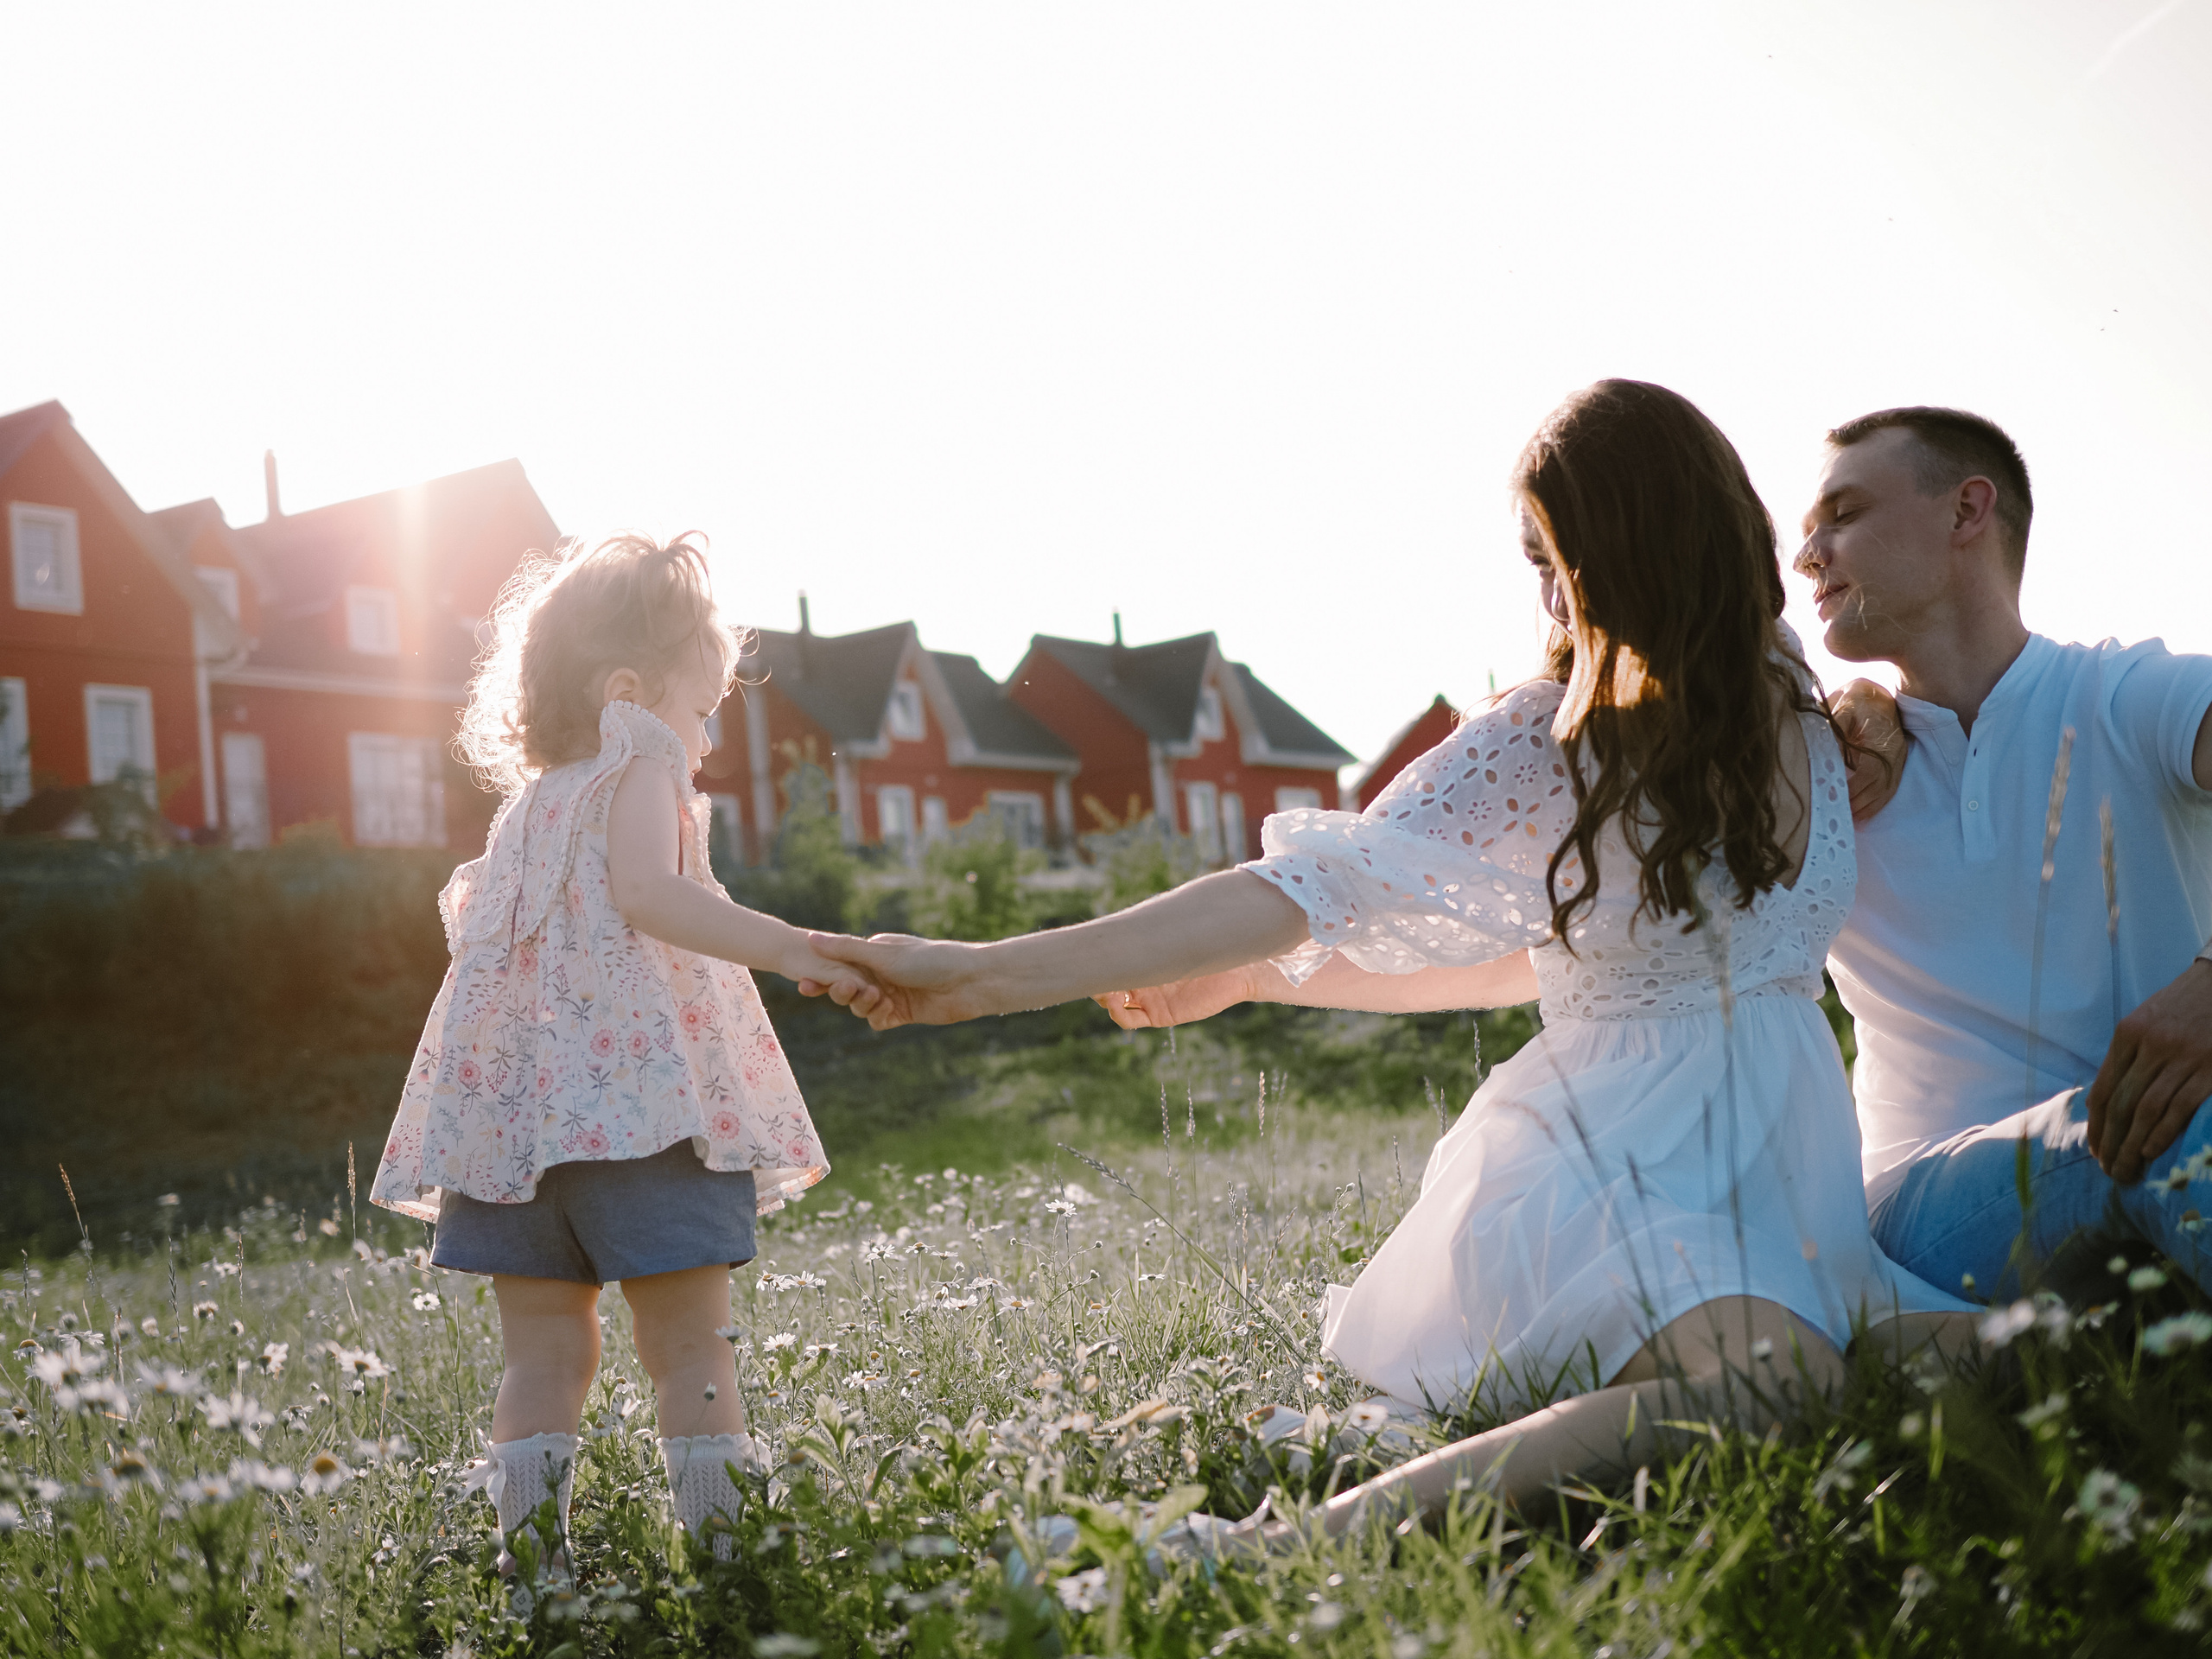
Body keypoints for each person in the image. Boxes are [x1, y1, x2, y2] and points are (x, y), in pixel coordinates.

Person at [811, 380, 1975, 1539]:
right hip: (1604, 1182)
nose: (1552, 595)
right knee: (1782, 1391)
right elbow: (1305, 887)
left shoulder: (1805, 709)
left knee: (2004, 1361)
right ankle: (1272, 1548)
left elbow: (1563, 961)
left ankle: (1427, 1429)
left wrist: (1863, 704)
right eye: (1538, 564)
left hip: (1773, 1190)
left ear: (1645, 542)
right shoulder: (1551, 731)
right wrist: (993, 971)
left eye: (1555, 556)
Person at [369, 533, 880, 1573]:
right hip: (642, 1119)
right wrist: (792, 948)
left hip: (512, 1140)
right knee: (690, 1347)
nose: (699, 743)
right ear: (629, 694)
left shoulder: (523, 812)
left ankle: (535, 1574)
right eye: (699, 712)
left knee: (543, 1357)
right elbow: (652, 896)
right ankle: (727, 1557)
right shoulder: (636, 762)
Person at [1801, 408, 2212, 1300]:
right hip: (1929, 1220)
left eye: (1843, 514)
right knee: (2169, 1134)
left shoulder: (2124, 698)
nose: (1808, 556)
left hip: (2171, 1149)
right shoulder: (1822, 765)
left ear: (1965, 512)